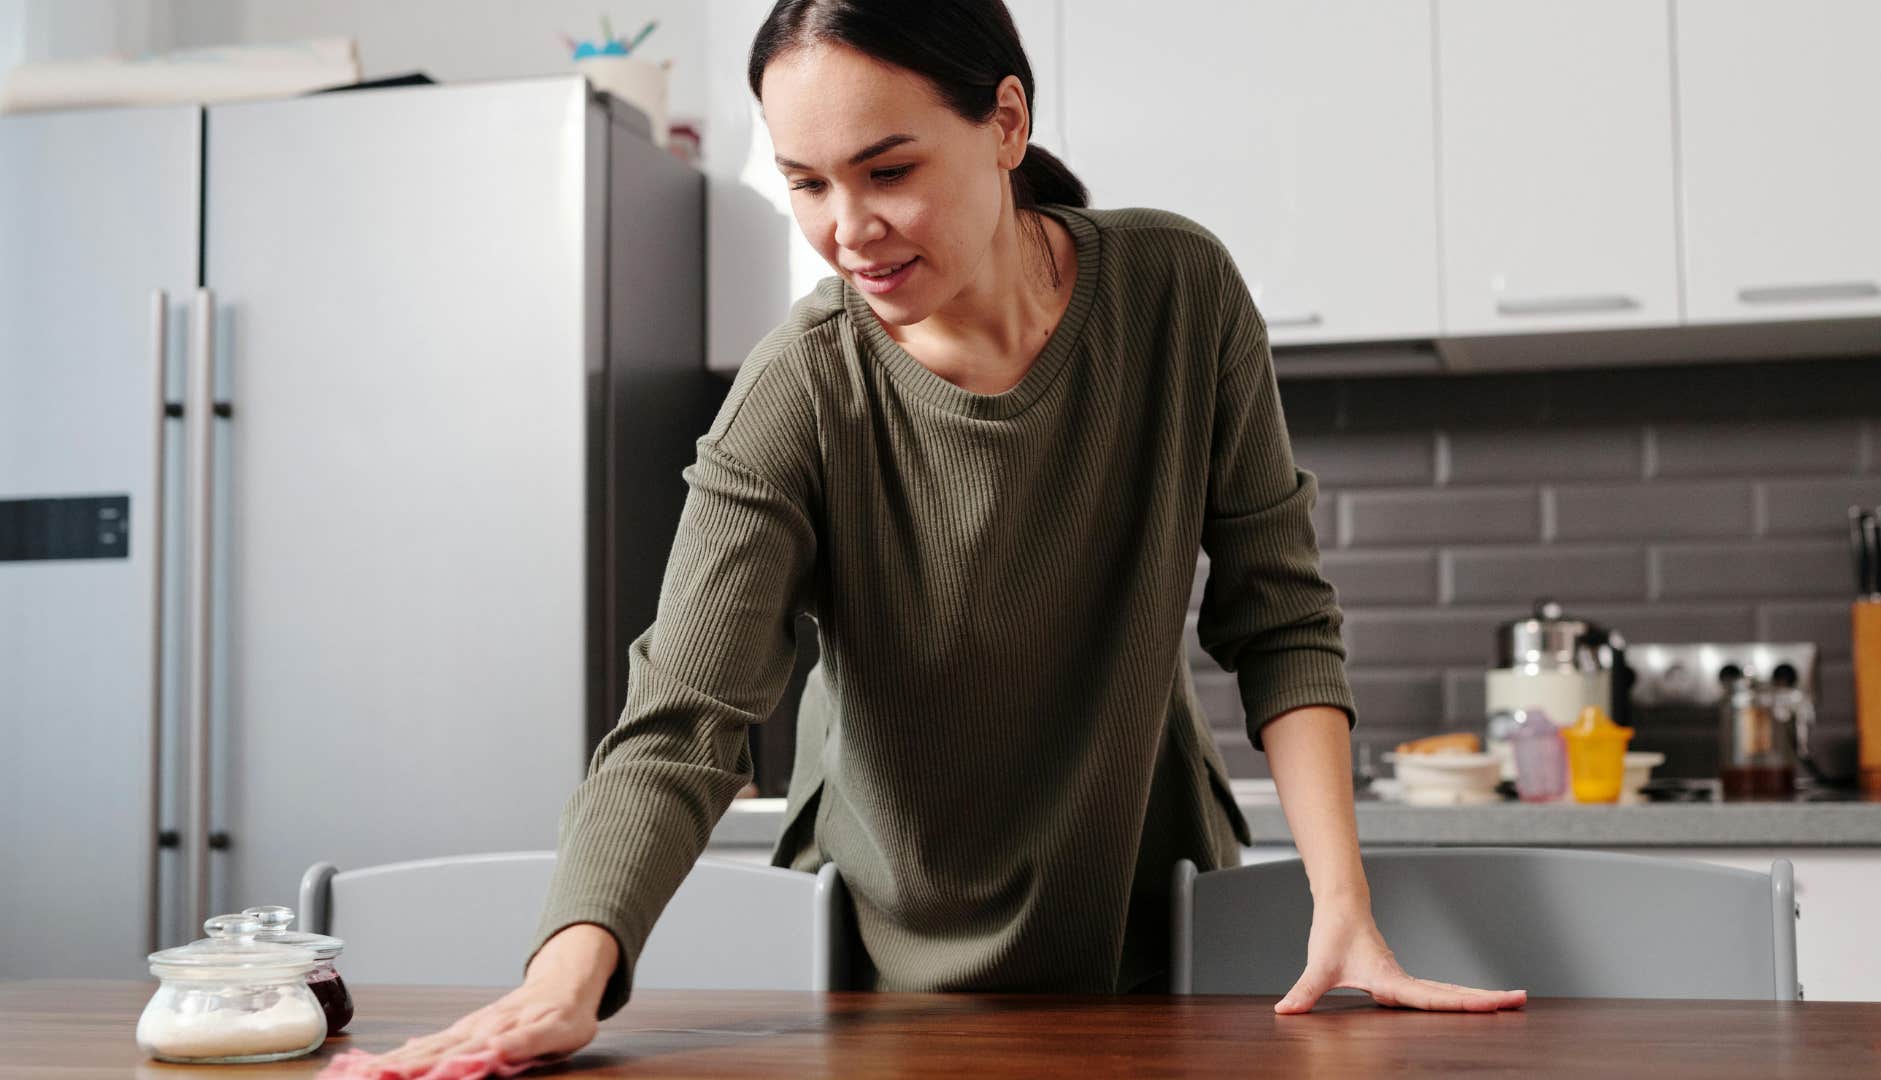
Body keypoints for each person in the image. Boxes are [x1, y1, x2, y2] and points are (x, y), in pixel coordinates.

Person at [353, 1, 1527, 1072]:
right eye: (806, 183)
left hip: (1155, 933)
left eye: (888, 169)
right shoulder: (800, 389)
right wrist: (564, 980)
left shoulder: (1180, 293)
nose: (847, 229)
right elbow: (682, 718)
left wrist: (1342, 904)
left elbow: (1281, 618)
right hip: (880, 981)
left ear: (1006, 121)